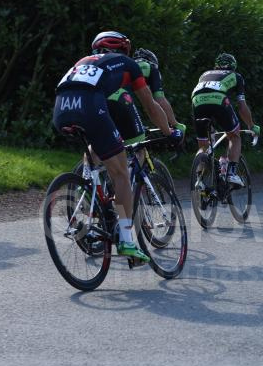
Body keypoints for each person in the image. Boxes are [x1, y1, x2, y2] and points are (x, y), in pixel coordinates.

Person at [53, 31, 181, 264]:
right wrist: (169, 132)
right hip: (90, 104)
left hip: (61, 106)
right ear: (125, 49)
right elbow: (151, 106)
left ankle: (88, 187)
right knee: (121, 172)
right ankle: (126, 241)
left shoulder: (84, 61)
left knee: (95, 149)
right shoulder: (128, 64)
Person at [191, 53, 260, 188]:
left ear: (216, 66)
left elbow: (203, 94)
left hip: (196, 101)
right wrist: (251, 125)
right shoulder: (236, 76)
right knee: (235, 136)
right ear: (233, 66)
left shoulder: (204, 74)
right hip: (218, 99)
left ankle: (199, 180)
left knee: (203, 145)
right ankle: (231, 173)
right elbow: (241, 105)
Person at [133, 48, 187, 135]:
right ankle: (175, 125)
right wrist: (173, 125)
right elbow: (159, 100)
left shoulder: (129, 64)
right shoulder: (151, 66)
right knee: (154, 100)